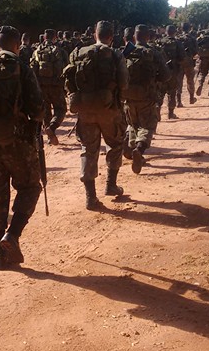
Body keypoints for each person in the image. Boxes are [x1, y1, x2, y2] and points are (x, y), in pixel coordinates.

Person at [0, 26, 44, 270]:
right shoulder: (21, 69)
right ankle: (12, 235)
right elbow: (37, 108)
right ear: (17, 45)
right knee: (29, 188)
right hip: (17, 144)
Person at [64, 20, 129, 210]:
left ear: (95, 35)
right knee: (115, 144)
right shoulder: (116, 55)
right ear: (111, 37)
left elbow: (69, 82)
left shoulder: (77, 53)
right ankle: (110, 185)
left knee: (88, 149)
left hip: (85, 110)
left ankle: (90, 197)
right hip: (109, 110)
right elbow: (124, 84)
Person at [124, 25, 172, 174]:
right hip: (147, 95)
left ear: (134, 37)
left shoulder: (125, 52)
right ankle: (139, 149)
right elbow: (166, 75)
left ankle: (132, 148)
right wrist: (155, 79)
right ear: (148, 37)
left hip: (128, 96)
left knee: (133, 123)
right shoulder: (153, 53)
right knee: (148, 126)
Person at [30, 29, 69, 145]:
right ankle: (52, 127)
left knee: (46, 111)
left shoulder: (36, 52)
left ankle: (49, 136)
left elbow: (32, 70)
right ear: (55, 38)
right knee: (61, 109)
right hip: (56, 86)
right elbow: (66, 69)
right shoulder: (60, 52)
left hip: (41, 87)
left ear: (44, 38)